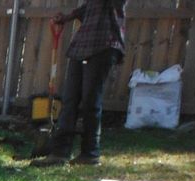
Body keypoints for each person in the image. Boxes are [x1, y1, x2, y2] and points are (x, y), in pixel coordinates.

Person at [35, 0, 127, 166]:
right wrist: (67, 17)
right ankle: (60, 152)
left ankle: (90, 153)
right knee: (69, 99)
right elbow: (89, 8)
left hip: (104, 44)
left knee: (90, 101)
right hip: (83, 45)